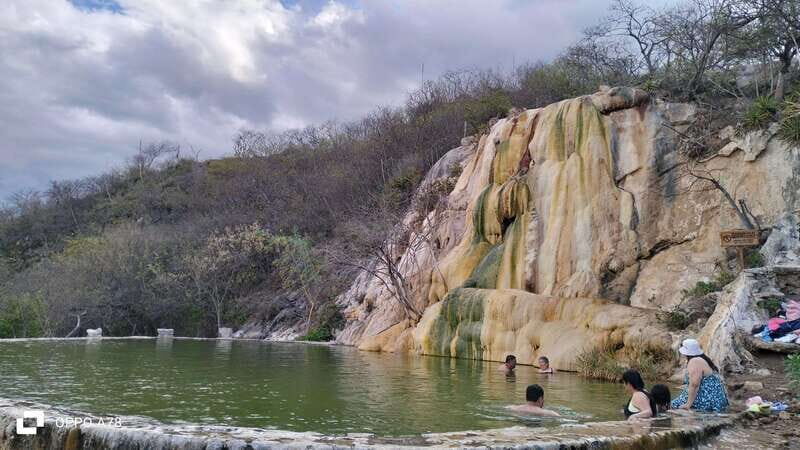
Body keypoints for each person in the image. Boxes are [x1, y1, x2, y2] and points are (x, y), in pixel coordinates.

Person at [670, 339, 729, 412]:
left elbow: (695, 384)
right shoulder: (701, 359)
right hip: (714, 399)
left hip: (707, 400)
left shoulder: (695, 361)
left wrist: (688, 404)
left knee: (669, 406)